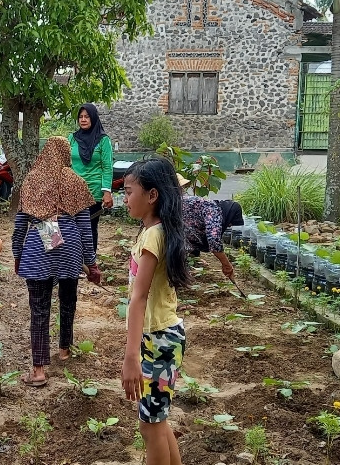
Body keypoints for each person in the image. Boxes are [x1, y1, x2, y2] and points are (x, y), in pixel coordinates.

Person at [12, 136, 102, 387]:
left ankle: (39, 370)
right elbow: (85, 228)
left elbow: (20, 225)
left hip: (38, 246)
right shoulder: (75, 181)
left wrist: (17, 255)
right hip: (71, 246)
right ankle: (64, 350)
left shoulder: (32, 180)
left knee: (39, 308)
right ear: (65, 154)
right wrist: (92, 263)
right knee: (68, 300)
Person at [120, 158, 190, 465]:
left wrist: (131, 356)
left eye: (129, 191)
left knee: (150, 427)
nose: (124, 198)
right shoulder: (155, 231)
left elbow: (139, 298)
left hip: (157, 342)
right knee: (156, 425)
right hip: (162, 338)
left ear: (152, 196)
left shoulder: (153, 235)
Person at [68, 103, 114, 252]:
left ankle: (90, 264)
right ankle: (75, 262)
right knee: (72, 228)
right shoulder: (72, 139)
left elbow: (107, 166)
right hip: (74, 191)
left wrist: (106, 191)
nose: (83, 120)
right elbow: (65, 163)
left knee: (89, 228)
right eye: (80, 117)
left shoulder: (103, 140)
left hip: (93, 191)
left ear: (93, 118)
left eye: (87, 116)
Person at [176, 173, 239, 280]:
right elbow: (214, 241)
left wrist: (195, 260)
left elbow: (188, 235)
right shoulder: (213, 209)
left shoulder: (180, 203)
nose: (182, 191)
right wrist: (227, 265)